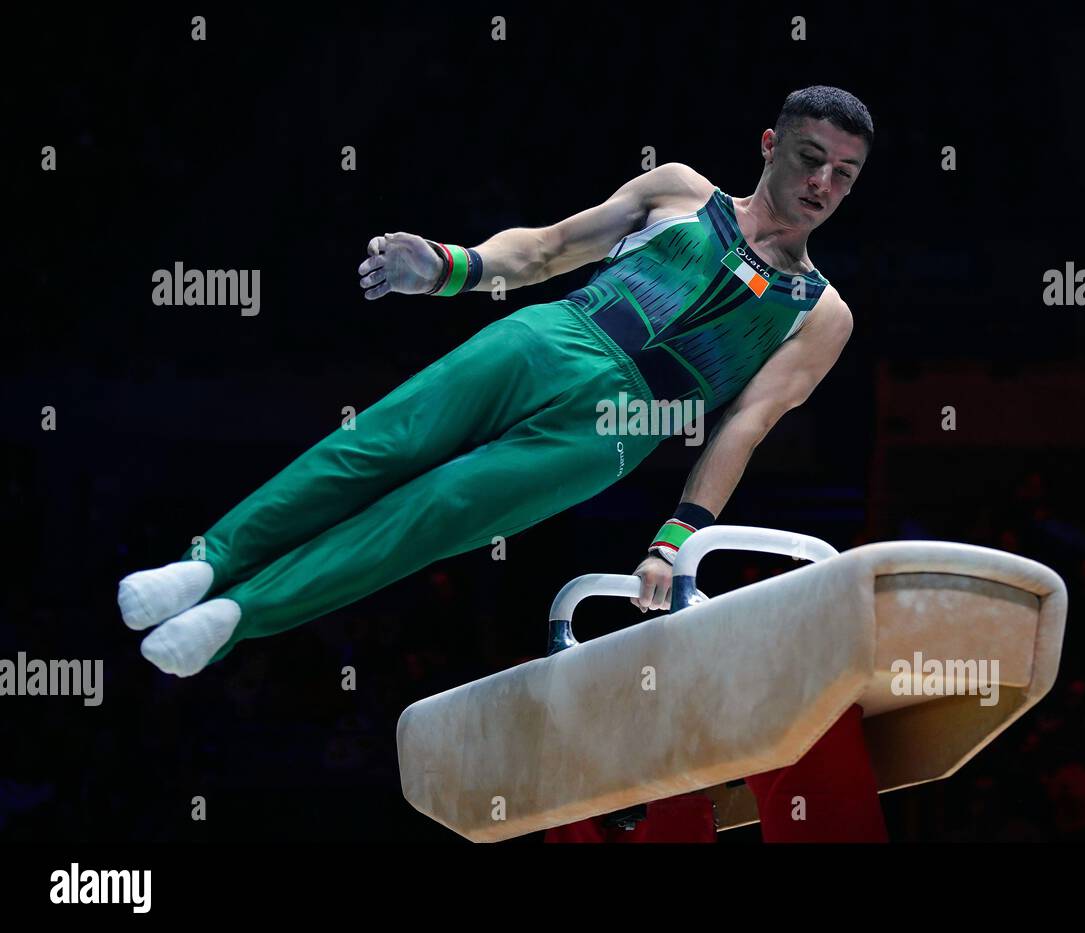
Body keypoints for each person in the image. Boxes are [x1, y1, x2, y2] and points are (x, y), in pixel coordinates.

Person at [117, 85, 873, 684]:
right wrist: (454, 266)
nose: (822, 183)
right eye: (811, 157)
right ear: (770, 144)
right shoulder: (680, 190)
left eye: (844, 174)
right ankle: (207, 560)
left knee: (435, 512)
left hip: (617, 428)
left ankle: (237, 613)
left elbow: (745, 426)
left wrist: (674, 540)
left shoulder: (821, 314)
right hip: (549, 336)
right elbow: (544, 250)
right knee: (379, 445)